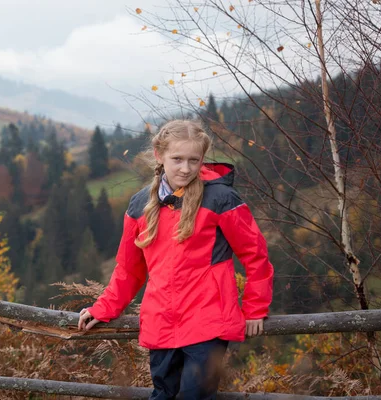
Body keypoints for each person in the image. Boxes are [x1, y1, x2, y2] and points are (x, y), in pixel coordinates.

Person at [78, 120, 274, 399]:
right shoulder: (139, 205)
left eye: (194, 160)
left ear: (202, 159)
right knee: (163, 395)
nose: (185, 168)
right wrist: (103, 308)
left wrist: (255, 308)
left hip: (209, 321)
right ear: (159, 155)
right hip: (161, 322)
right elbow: (129, 270)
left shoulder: (221, 198)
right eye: (177, 159)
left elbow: (256, 256)